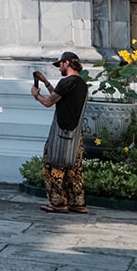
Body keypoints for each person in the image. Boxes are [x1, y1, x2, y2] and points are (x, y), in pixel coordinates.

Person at [31, 51, 90, 213]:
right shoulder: (81, 85)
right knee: (74, 170)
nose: (59, 69)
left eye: (60, 65)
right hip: (76, 136)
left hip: (61, 134)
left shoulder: (66, 82)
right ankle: (78, 203)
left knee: (53, 167)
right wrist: (45, 82)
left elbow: (50, 102)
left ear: (67, 63)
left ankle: (58, 203)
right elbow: (59, 96)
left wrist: (37, 95)